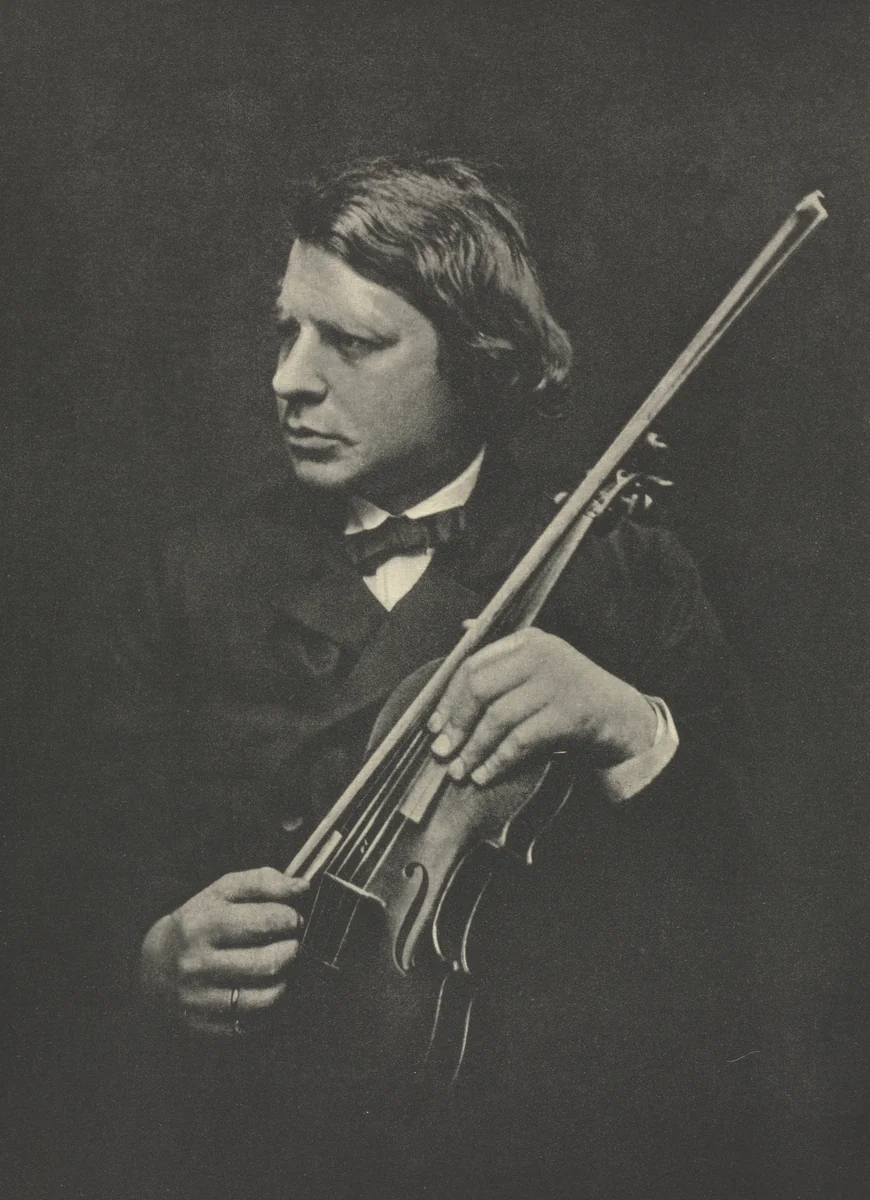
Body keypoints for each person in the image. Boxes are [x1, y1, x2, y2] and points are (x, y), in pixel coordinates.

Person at [64, 157, 754, 1199]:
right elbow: (66, 865)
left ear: (477, 364)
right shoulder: (193, 573)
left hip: (549, 1150)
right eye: (286, 330)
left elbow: (761, 885)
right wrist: (151, 957)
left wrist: (630, 728)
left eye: (351, 342)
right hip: (253, 1143)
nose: (290, 379)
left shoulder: (623, 567)